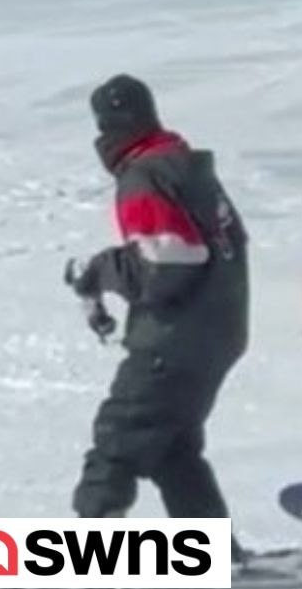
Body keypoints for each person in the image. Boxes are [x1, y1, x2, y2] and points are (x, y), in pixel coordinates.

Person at [65, 75, 250, 558]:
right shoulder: (189, 170)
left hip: (172, 340)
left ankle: (84, 554)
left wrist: (100, 268)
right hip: (217, 333)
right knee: (171, 447)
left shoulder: (145, 174)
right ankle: (216, 553)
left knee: (118, 437)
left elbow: (171, 260)